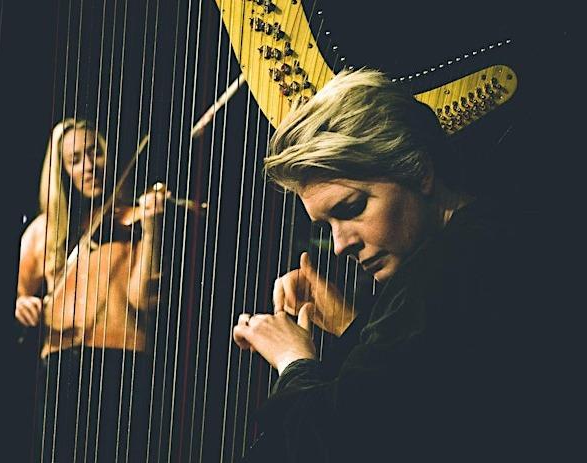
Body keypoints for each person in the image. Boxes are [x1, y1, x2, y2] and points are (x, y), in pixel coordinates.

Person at [232, 69, 543, 461]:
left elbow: (335, 441)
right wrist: (348, 321)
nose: (340, 244)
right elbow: (416, 387)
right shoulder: (471, 246)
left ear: (420, 171)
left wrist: (292, 360)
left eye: (351, 208)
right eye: (327, 225)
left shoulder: (451, 268)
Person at [15, 118, 166, 462]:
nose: (88, 167)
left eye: (94, 153)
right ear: (62, 170)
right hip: (60, 365)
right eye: (75, 160)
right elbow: (20, 295)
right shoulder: (45, 231)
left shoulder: (132, 219)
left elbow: (142, 299)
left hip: (121, 361)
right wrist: (24, 305)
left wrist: (153, 231)